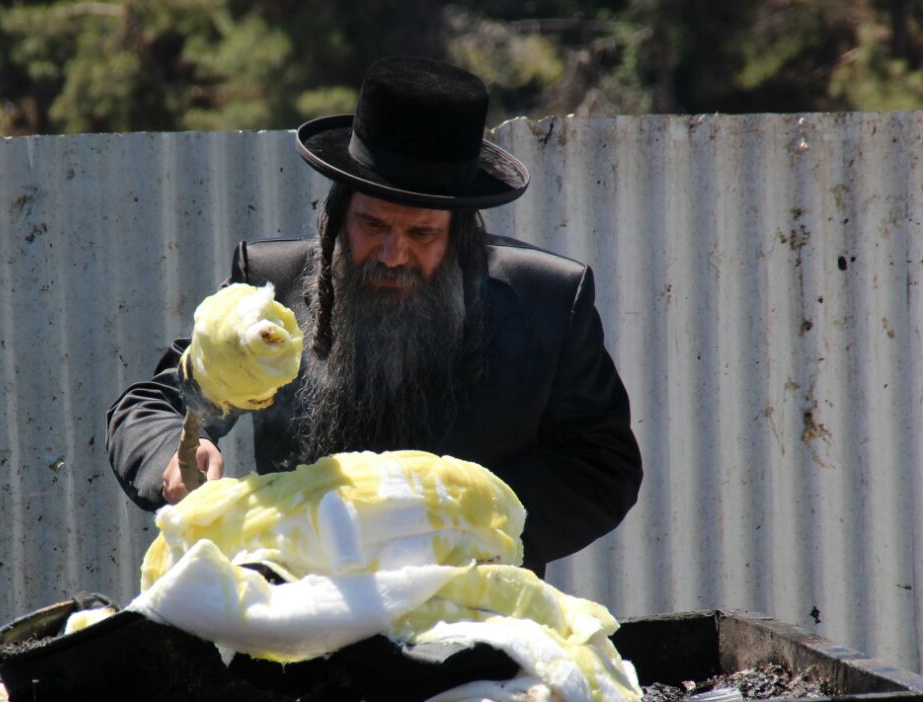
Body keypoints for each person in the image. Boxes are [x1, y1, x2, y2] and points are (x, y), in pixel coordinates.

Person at [107, 56, 642, 576]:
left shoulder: (545, 301)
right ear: (339, 213)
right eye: (372, 225)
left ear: (460, 235)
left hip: (477, 607)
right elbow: (154, 404)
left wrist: (465, 521)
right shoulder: (271, 291)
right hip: (303, 613)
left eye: (421, 234)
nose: (391, 254)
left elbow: (603, 463)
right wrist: (176, 455)